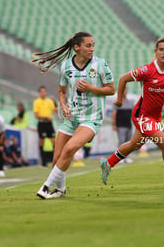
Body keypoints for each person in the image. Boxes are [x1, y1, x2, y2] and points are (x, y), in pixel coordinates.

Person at [100, 37, 164, 189]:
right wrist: (119, 100)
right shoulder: (147, 70)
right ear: (155, 52)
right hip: (142, 115)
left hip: (155, 116)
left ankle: (108, 163)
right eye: (161, 49)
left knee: (135, 145)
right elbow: (123, 79)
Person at [33, 31, 115, 199]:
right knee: (56, 158)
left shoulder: (100, 64)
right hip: (71, 117)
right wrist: (62, 105)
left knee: (69, 149)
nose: (92, 49)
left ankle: (45, 187)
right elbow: (61, 91)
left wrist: (91, 89)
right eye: (88, 45)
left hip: (91, 118)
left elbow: (111, 89)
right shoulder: (65, 66)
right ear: (77, 47)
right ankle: (61, 190)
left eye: (93, 45)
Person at [33, 86, 57, 167]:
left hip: (49, 124)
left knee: (54, 141)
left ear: (46, 92)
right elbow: (36, 115)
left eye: (44, 91)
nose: (43, 93)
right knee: (42, 142)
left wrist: (55, 103)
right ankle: (44, 163)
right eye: (41, 92)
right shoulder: (37, 102)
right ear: (39, 93)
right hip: (42, 124)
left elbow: (56, 110)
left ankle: (56, 161)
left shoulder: (49, 101)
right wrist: (46, 117)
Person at [112, 88, 136, 163]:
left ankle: (126, 157)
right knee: (121, 142)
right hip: (120, 125)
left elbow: (133, 113)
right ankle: (119, 158)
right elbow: (114, 113)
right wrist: (114, 124)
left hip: (128, 124)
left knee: (128, 142)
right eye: (123, 90)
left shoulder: (130, 102)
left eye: (125, 90)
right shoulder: (117, 102)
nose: (124, 92)